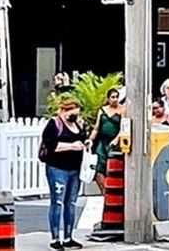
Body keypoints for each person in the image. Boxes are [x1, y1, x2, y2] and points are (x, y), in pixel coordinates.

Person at [41, 95, 87, 249]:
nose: (73, 116)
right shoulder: (54, 125)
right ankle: (55, 238)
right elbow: (51, 145)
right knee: (58, 202)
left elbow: (83, 138)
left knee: (71, 203)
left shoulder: (78, 124)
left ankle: (68, 236)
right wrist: (72, 146)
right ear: (62, 110)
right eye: (71, 113)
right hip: (57, 168)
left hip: (75, 169)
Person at [88, 87, 125, 183]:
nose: (115, 99)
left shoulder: (122, 109)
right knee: (98, 167)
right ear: (108, 99)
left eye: (117, 97)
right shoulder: (102, 110)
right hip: (102, 141)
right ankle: (103, 189)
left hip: (114, 142)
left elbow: (123, 128)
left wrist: (116, 140)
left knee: (112, 167)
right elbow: (96, 128)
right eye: (113, 97)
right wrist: (90, 139)